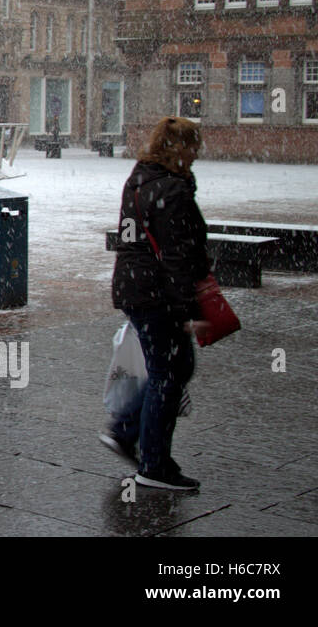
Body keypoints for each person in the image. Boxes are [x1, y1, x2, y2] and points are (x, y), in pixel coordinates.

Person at [105, 116, 211, 491]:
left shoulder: (139, 180)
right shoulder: (173, 190)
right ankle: (153, 464)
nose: (197, 153)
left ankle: (128, 429)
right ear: (177, 149)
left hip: (135, 288)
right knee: (171, 371)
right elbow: (178, 258)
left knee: (170, 367)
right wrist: (191, 312)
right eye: (192, 145)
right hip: (157, 294)